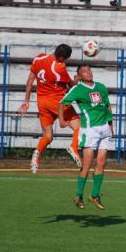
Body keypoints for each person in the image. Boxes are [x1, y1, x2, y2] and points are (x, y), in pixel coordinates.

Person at [18, 44, 82, 174]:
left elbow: (30, 81)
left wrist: (26, 101)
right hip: (58, 102)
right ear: (60, 57)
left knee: (48, 136)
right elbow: (71, 86)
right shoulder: (59, 67)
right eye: (65, 59)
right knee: (79, 127)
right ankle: (73, 147)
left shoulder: (38, 58)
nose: (65, 62)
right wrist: (77, 79)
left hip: (42, 102)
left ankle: (36, 155)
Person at [60, 64, 113, 211]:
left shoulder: (101, 87)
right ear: (79, 76)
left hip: (104, 129)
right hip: (90, 130)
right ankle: (78, 195)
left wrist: (111, 125)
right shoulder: (78, 89)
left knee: (101, 164)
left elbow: (107, 106)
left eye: (89, 70)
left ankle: (94, 195)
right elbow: (63, 102)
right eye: (84, 71)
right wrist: (62, 120)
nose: (88, 72)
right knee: (87, 164)